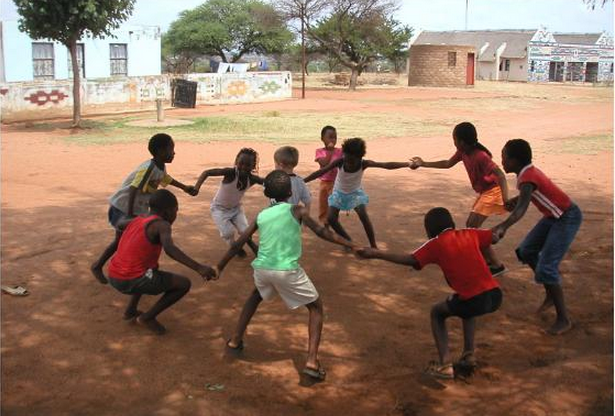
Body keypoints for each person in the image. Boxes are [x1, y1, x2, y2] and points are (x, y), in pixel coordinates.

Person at [216, 170, 356, 381]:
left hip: (262, 269)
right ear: (290, 191)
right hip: (286, 270)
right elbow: (321, 232)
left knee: (255, 296)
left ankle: (235, 340)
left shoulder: (262, 215)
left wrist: (219, 267)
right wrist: (349, 243)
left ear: (267, 194)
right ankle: (311, 361)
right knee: (316, 307)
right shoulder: (296, 210)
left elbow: (238, 243)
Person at [356, 207, 503, 380]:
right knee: (466, 309)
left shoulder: (435, 243)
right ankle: (468, 355)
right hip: (495, 295)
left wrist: (376, 254)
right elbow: (492, 237)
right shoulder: (469, 233)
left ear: (429, 231)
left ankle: (445, 365)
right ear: (452, 224)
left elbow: (412, 259)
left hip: (474, 300)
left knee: (437, 313)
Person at [493, 139, 582, 335]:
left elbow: (521, 211)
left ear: (515, 161)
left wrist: (502, 226)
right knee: (526, 251)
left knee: (547, 267)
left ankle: (563, 319)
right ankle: (551, 292)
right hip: (554, 217)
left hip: (566, 217)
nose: (502, 161)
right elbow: (532, 195)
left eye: (504, 157)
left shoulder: (526, 179)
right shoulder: (527, 174)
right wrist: (515, 201)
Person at [107, 189, 217, 335]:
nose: (176, 215)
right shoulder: (162, 225)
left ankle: (130, 311)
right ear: (167, 212)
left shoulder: (137, 220)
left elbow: (120, 224)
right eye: (176, 211)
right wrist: (199, 268)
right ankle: (147, 317)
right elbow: (170, 249)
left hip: (113, 274)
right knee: (183, 284)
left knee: (151, 269)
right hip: (131, 279)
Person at [91, 133, 195, 284]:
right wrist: (130, 214)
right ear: (160, 151)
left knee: (122, 241)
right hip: (123, 207)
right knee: (120, 241)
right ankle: (101, 266)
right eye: (171, 149)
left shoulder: (160, 167)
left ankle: (113, 267)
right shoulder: (149, 167)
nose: (173, 153)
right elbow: (134, 189)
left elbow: (165, 179)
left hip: (134, 209)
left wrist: (185, 187)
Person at [411, 122, 508, 276]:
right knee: (472, 227)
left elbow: (501, 175)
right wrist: (423, 163)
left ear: (462, 142)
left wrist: (506, 198)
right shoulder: (462, 152)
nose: (454, 142)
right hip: (485, 192)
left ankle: (496, 265)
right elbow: (447, 164)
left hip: (492, 191)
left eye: (454, 139)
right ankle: (490, 261)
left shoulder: (480, 156)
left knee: (472, 228)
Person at [304, 137, 411, 248]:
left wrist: (407, 164)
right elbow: (321, 171)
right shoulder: (340, 162)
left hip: (355, 194)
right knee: (331, 219)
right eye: (347, 159)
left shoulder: (364, 164)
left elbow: (386, 165)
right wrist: (303, 181)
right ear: (343, 155)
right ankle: (348, 241)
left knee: (363, 216)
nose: (349, 163)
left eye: (352, 161)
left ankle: (373, 246)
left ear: (360, 158)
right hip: (338, 193)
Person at [193, 148, 263, 257]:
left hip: (236, 209)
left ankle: (252, 246)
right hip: (219, 209)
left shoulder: (252, 179)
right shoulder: (230, 173)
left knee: (245, 231)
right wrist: (197, 187)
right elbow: (207, 172)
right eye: (241, 163)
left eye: (248, 165)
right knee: (227, 233)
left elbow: (267, 182)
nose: (243, 167)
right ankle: (234, 246)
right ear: (236, 162)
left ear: (253, 166)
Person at [314, 126, 343, 224]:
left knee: (334, 203)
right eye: (330, 137)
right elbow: (323, 164)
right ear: (322, 139)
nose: (333, 140)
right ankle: (324, 221)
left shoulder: (340, 151)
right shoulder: (319, 151)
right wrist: (330, 152)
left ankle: (334, 220)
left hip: (336, 182)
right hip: (324, 182)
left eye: (335, 137)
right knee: (323, 202)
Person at [273, 146, 311, 212]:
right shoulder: (300, 181)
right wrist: (306, 215)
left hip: (277, 216)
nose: (275, 166)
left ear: (281, 165)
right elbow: (307, 201)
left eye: (275, 163)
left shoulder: (274, 180)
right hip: (292, 217)